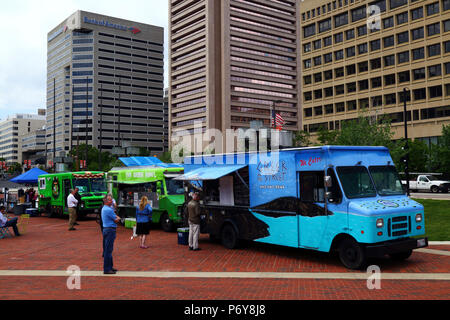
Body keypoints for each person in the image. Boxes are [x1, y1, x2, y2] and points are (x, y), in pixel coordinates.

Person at [101, 194, 120, 274]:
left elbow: (116, 217)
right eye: (109, 200)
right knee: (108, 250)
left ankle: (110, 267)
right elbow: (117, 219)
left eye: (111, 199)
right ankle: (107, 269)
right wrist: (117, 218)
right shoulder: (108, 210)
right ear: (106, 201)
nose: (111, 201)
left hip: (106, 229)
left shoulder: (105, 208)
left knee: (108, 249)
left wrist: (116, 218)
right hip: (110, 230)